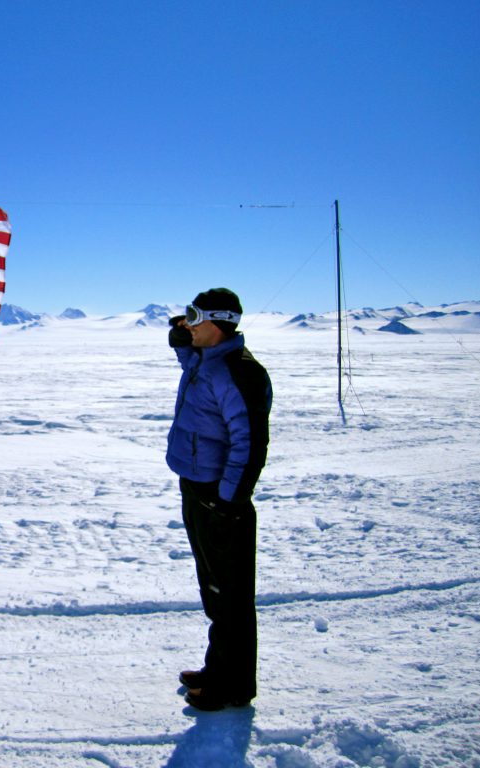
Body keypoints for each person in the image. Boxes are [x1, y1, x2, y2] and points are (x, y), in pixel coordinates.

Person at [166, 287, 272, 711]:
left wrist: (228, 502)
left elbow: (249, 444)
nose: (186, 324)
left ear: (217, 322)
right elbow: (190, 360)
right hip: (197, 489)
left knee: (231, 596)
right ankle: (219, 668)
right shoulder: (206, 360)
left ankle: (233, 686)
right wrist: (179, 340)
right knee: (215, 591)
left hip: (220, 499)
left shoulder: (239, 372)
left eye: (193, 317)